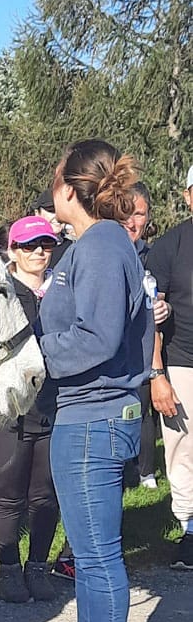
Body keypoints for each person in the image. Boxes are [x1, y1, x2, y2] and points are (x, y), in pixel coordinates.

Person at [20, 139, 153, 622]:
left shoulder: (100, 245)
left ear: (70, 188)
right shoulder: (93, 245)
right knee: (92, 550)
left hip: (95, 416)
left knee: (97, 554)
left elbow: (97, 337)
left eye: (56, 178)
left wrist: (32, 357)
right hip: (86, 412)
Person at [0, 217, 59, 602]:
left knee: (45, 497)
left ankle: (38, 567)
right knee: (8, 497)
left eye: (45, 244)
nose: (39, 251)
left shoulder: (63, 289)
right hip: (5, 411)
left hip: (50, 407)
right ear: (12, 250)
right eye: (29, 245)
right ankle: (8, 568)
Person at [146, 164, 193, 568]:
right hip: (182, 363)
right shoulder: (170, 246)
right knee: (183, 450)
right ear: (188, 197)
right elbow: (151, 313)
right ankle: (190, 529)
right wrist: (157, 373)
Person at [122, 181, 158, 489]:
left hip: (145, 347)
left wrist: (164, 307)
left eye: (140, 214)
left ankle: (146, 471)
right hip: (114, 348)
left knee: (143, 408)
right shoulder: (103, 253)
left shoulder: (152, 255)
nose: (133, 222)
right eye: (127, 213)